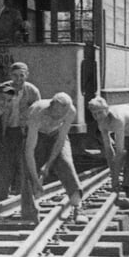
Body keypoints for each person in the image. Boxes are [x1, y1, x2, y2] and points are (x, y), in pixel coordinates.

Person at [21, 93, 85, 224]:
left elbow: (61, 139)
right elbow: (30, 151)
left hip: (56, 135)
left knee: (66, 164)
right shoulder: (36, 113)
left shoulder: (71, 112)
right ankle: (29, 210)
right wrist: (36, 179)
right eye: (55, 113)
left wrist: (48, 165)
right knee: (28, 170)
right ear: (50, 107)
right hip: (37, 135)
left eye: (61, 115)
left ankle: (78, 207)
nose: (57, 117)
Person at [0, 62, 41, 201]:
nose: (18, 79)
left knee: (23, 165)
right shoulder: (4, 89)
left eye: (21, 75)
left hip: (23, 132)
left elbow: (38, 113)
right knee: (4, 165)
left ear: (27, 75)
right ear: (10, 75)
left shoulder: (32, 91)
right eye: (15, 75)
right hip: (7, 131)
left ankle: (22, 198)